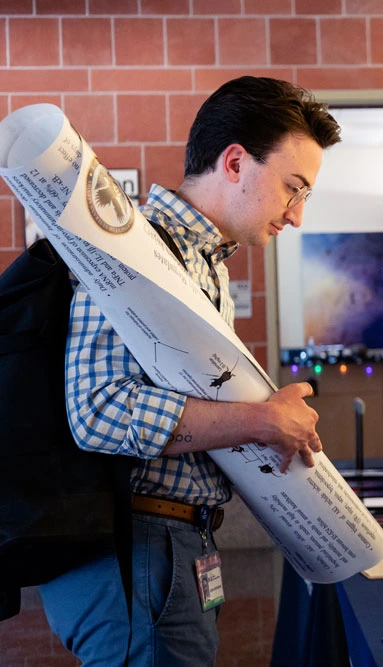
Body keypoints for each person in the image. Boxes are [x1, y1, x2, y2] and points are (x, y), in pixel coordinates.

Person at [38, 76, 342, 666]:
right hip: (139, 549)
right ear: (234, 162)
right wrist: (257, 420)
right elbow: (98, 412)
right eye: (292, 188)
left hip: (174, 545)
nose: (297, 215)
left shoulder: (205, 263)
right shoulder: (136, 248)